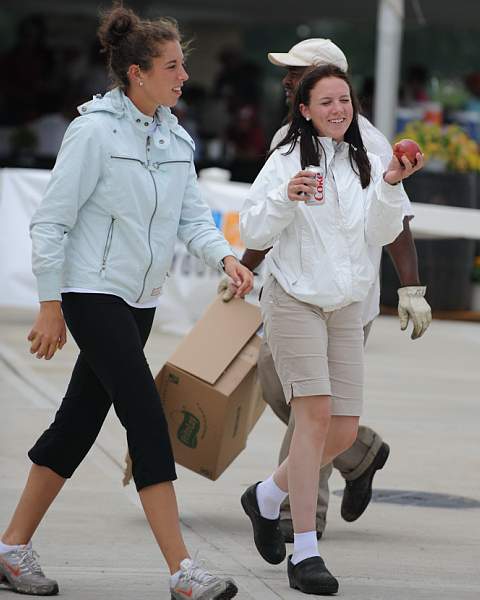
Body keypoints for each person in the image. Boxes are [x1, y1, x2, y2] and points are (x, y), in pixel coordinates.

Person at [0, 6, 253, 599]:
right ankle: (183, 572)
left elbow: (194, 217)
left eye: (182, 64)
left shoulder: (175, 135)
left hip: (140, 302)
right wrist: (50, 303)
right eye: (173, 65)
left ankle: (11, 547)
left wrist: (226, 257)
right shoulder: (92, 132)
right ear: (137, 73)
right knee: (146, 417)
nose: (184, 75)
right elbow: (51, 223)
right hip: (92, 294)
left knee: (77, 425)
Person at [219, 38, 432, 542]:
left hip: (345, 302)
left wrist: (411, 288)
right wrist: (242, 269)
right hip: (292, 292)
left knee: (311, 413)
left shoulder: (370, 146)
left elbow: (394, 221)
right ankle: (358, 455)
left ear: (327, 76)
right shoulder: (288, 140)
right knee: (282, 390)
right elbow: (271, 218)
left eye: (295, 71)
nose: (286, 79)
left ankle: (297, 521)